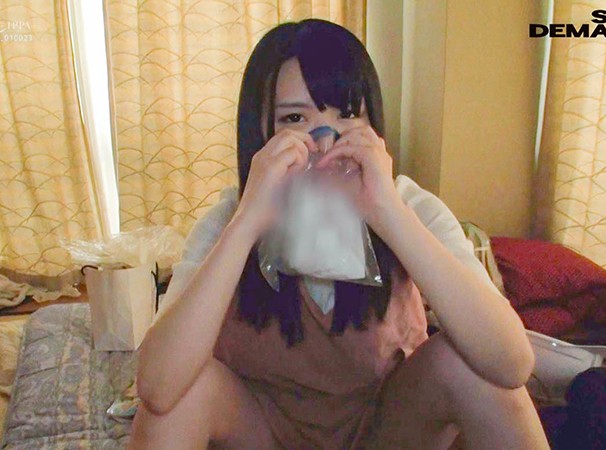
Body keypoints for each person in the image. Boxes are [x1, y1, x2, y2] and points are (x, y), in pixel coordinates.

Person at [129, 19, 549, 450]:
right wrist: (247, 222)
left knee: (469, 365)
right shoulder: (229, 219)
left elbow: (511, 365)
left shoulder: (408, 205)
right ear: (261, 134)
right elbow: (158, 387)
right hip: (262, 431)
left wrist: (388, 213)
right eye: (295, 118)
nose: (324, 142)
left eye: (346, 115)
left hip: (385, 429)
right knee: (179, 395)